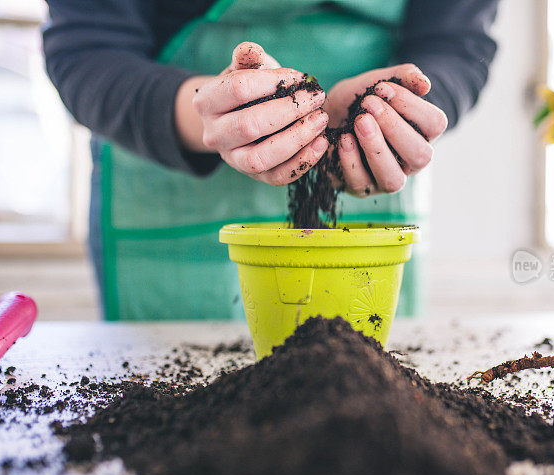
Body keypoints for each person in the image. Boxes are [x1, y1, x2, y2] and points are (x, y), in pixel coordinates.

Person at [43, 0, 498, 320]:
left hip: (367, 170)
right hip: (167, 204)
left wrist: (396, 112)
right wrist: (213, 111)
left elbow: (457, 45)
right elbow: (89, 50)